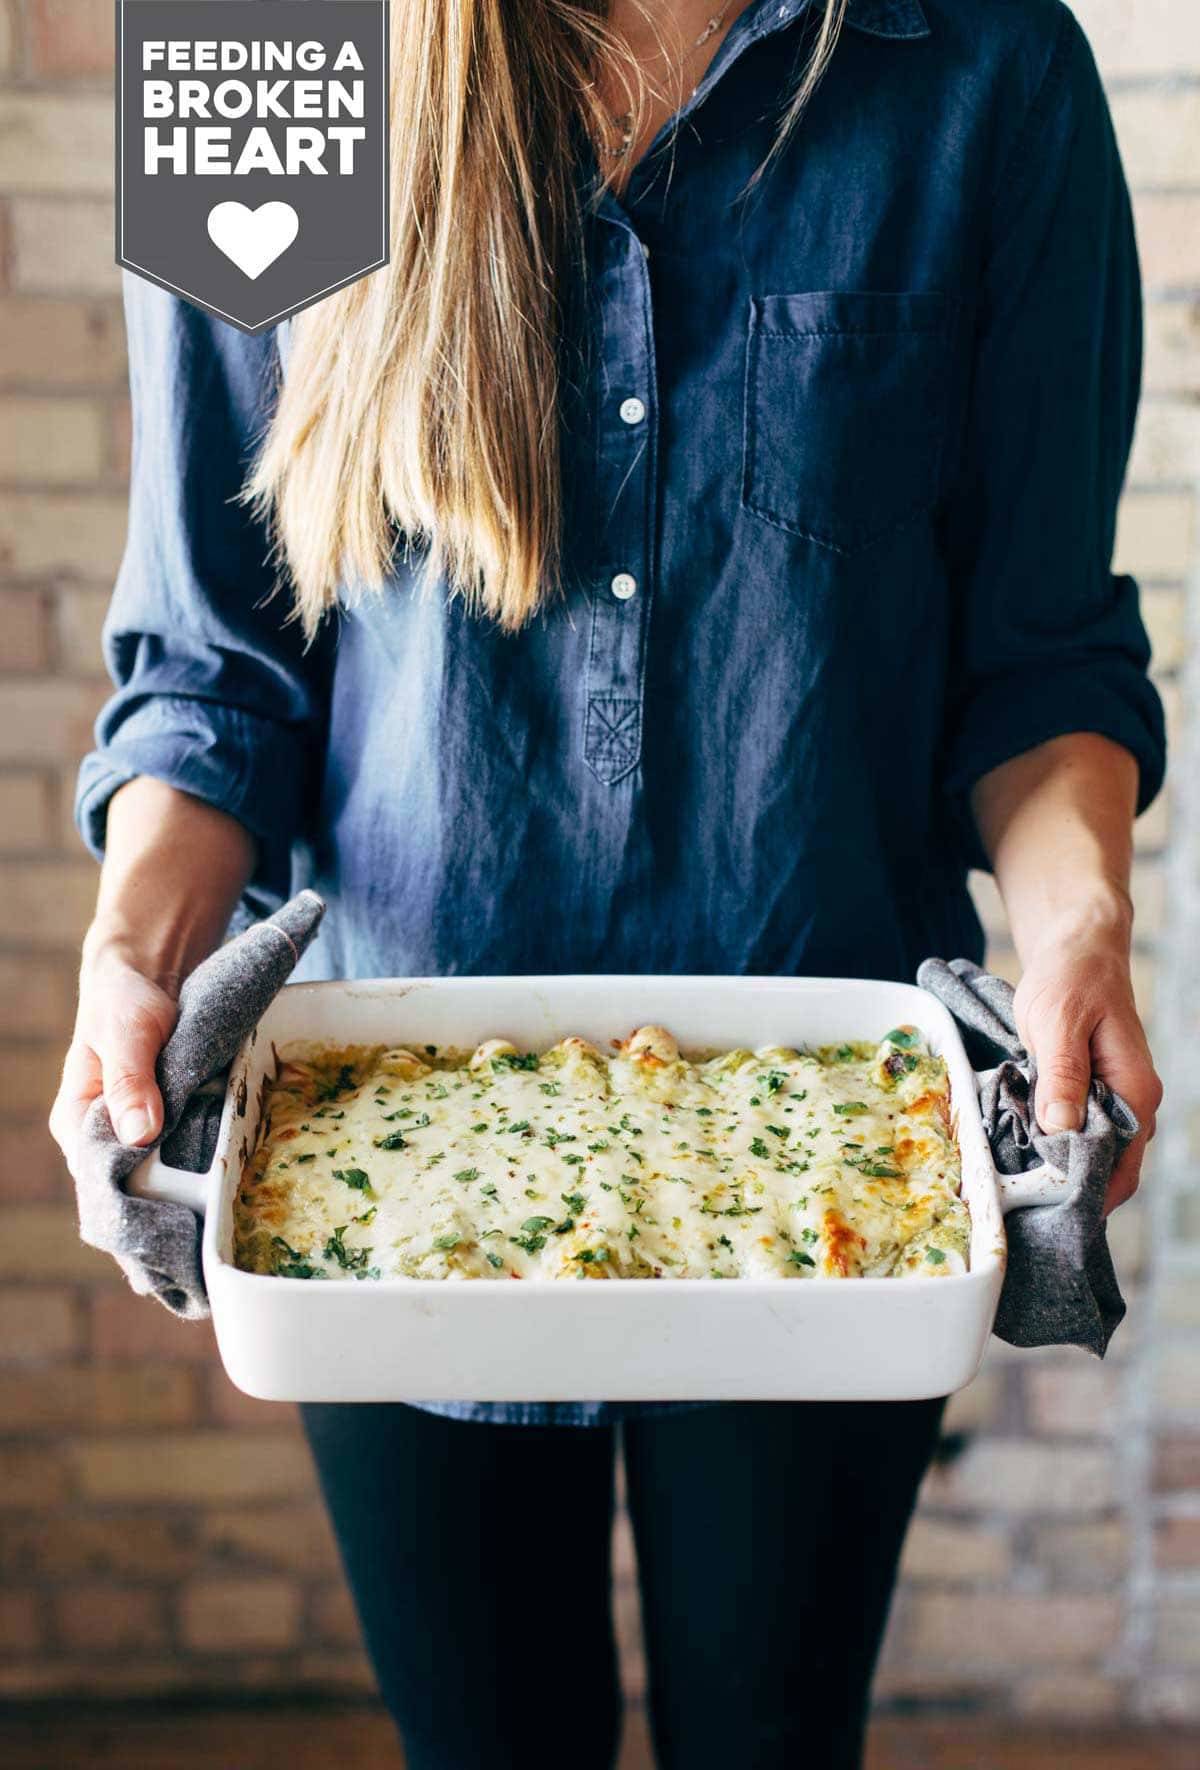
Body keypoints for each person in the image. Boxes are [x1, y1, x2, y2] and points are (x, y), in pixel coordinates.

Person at [52, 1, 1166, 1764]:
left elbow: (1038, 665)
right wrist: (132, 953)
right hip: (375, 1158)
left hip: (846, 1162)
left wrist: (1083, 928)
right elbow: (215, 677)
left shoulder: (988, 65)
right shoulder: (264, 43)